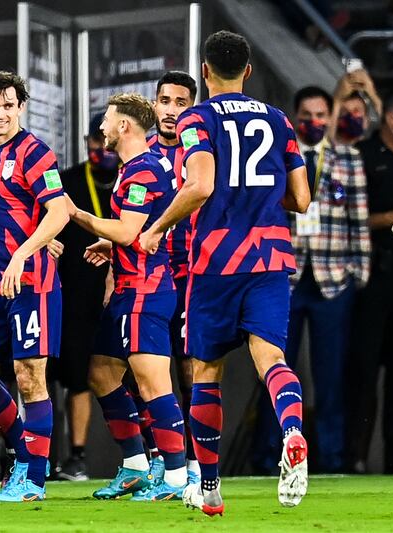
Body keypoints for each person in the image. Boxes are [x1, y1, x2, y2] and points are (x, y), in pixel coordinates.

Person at [139, 31, 311, 514]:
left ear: (205, 71)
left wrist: (156, 228)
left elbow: (200, 185)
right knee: (271, 357)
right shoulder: (279, 121)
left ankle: (210, 490)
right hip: (272, 257)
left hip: (216, 260)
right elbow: (300, 198)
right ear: (249, 72)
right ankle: (293, 431)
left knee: (206, 370)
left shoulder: (198, 118)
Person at [68, 92, 187, 502]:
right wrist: (110, 244)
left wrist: (78, 214)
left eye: (107, 117)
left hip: (146, 292)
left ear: (124, 126)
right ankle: (136, 466)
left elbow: (129, 231)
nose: (101, 124)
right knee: (101, 372)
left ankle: (175, 477)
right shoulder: (132, 169)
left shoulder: (143, 171)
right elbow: (134, 230)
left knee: (154, 385)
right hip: (127, 289)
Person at [251, 85, 370, 474]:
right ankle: (269, 460)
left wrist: (359, 273)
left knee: (329, 376)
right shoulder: (276, 158)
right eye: (308, 115)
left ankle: (333, 461)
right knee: (273, 369)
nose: (314, 122)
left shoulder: (348, 159)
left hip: (333, 280)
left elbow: (359, 221)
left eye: (322, 115)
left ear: (331, 116)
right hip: (283, 278)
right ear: (295, 115)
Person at [0, 70, 69, 502]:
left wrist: (27, 252)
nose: (1, 112)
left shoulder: (35, 153)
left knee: (30, 379)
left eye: (9, 105)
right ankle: (27, 454)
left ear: (21, 108)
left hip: (32, 281)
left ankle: (33, 479)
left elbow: (58, 211)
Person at [53, 114, 118, 481]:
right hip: (66, 292)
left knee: (103, 377)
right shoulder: (68, 182)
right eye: (96, 141)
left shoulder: (132, 180)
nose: (102, 149)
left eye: (106, 141)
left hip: (114, 295)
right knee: (50, 376)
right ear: (87, 141)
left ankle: (79, 455)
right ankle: (42, 456)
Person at [145, 71, 200, 484]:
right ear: (154, 104)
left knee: (191, 369)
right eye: (165, 101)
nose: (170, 110)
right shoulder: (139, 152)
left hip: (193, 273)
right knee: (146, 369)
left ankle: (198, 461)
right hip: (149, 275)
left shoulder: (202, 154)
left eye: (180, 102)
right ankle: (160, 457)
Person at [348, 92, 393, 474]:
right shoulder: (363, 155)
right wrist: (389, 218)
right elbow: (349, 217)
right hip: (372, 277)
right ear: (388, 117)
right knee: (363, 372)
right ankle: (355, 459)